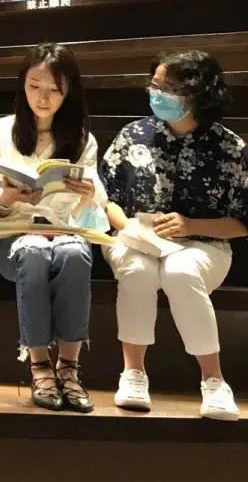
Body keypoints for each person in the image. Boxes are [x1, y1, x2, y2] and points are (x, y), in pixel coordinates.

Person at [101, 51, 247, 421]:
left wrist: (191, 225)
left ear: (199, 94)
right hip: (135, 238)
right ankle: (133, 373)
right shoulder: (132, 135)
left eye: (170, 89)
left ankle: (214, 381)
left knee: (180, 271)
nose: (158, 94)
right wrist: (127, 228)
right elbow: (105, 198)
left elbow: (242, 221)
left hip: (203, 244)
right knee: (137, 270)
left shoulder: (229, 148)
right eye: (155, 85)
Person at [0, 43, 107, 413]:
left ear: (69, 92)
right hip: (11, 239)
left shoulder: (82, 139)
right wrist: (8, 197)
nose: (43, 97)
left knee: (74, 253)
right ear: (22, 85)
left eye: (54, 89)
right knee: (33, 249)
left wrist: (90, 193)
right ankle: (40, 366)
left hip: (63, 235)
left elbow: (92, 208)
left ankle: (68, 367)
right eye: (34, 86)